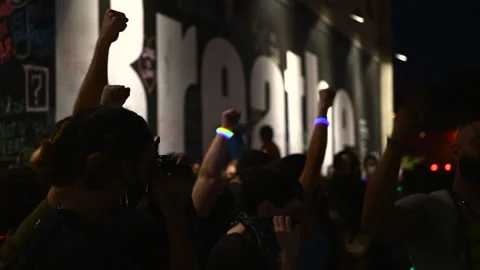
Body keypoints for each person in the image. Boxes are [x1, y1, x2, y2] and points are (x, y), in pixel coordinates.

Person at [1, 106, 196, 270]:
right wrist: (173, 212)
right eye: (146, 168)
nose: (149, 180)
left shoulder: (50, 228)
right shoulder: (84, 251)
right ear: (117, 168)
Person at [362, 97, 480, 270]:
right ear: (455, 151)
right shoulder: (434, 208)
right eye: (477, 142)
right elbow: (374, 221)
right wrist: (397, 140)